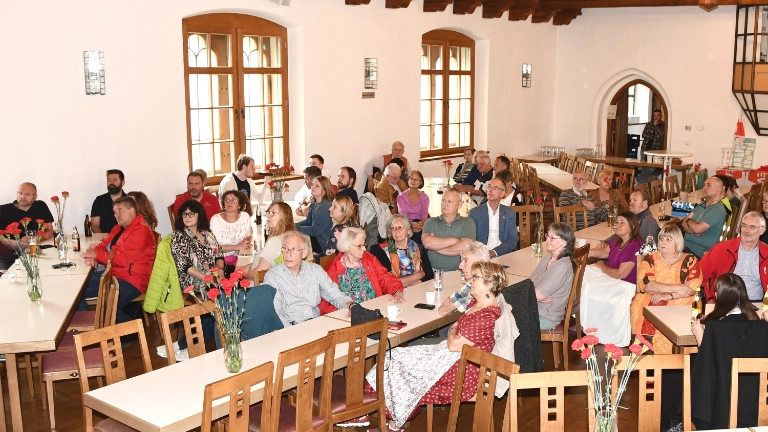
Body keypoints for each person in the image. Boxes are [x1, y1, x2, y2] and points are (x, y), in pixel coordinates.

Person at [363, 261, 505, 431]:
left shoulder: (488, 315)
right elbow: (454, 329)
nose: (470, 280)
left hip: (462, 371)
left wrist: (454, 330)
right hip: (451, 358)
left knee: (399, 366)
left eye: (475, 277)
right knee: (395, 357)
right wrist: (455, 329)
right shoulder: (476, 304)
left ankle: (386, 421)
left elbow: (453, 344)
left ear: (489, 284)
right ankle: (393, 421)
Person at [78, 196, 157, 325]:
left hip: (132, 281)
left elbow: (122, 259)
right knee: (77, 289)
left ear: (132, 211)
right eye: (115, 212)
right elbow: (102, 244)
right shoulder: (119, 228)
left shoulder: (141, 231)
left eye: (120, 210)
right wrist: (93, 256)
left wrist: (97, 255)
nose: (116, 215)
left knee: (105, 308)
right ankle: (90, 328)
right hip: (113, 274)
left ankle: (134, 330)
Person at [630, 225, 702, 354]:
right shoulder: (651, 258)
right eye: (662, 238)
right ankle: (648, 353)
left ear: (678, 242)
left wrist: (669, 296)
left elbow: (693, 286)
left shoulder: (690, 259)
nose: (663, 242)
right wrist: (677, 287)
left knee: (686, 304)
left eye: (669, 239)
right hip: (653, 297)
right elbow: (647, 285)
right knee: (645, 303)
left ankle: (680, 355)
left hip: (681, 299)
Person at [170, 199, 225, 359]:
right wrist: (207, 278)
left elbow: (219, 255)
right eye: (184, 214)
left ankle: (187, 345)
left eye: (191, 213)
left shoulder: (207, 234)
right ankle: (184, 345)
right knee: (214, 308)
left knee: (231, 298)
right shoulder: (179, 237)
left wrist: (220, 271)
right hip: (192, 281)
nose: (187, 217)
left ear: (199, 215)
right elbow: (184, 266)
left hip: (212, 278)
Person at [264, 231, 353, 327]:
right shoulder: (273, 277)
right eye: (285, 249)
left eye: (294, 249)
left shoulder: (315, 270)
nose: (288, 254)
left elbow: (334, 294)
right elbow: (276, 315)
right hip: (291, 328)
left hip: (316, 324)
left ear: (304, 253)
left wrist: (350, 305)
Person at [581, 211, 643, 346]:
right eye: (617, 222)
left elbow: (622, 274)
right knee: (582, 273)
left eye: (622, 223)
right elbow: (603, 252)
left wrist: (602, 266)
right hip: (613, 277)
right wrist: (581, 251)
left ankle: (595, 327)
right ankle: (585, 319)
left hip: (625, 285)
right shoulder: (618, 240)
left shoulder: (634, 245)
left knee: (590, 285)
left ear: (632, 226)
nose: (618, 225)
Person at [321, 227, 405, 314]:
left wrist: (397, 291)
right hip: (349, 317)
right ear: (347, 246)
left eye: (364, 245)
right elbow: (326, 302)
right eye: (359, 246)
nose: (364, 249)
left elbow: (385, 277)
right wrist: (344, 313)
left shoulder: (369, 259)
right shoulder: (333, 269)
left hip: (375, 309)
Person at [699, 211, 768, 302]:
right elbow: (699, 274)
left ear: (762, 230)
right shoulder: (722, 249)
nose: (746, 230)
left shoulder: (766, 253)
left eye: (752, 227)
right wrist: (709, 298)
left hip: (756, 303)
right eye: (744, 225)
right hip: (725, 302)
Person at [692, 273, 761, 346]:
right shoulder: (756, 321)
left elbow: (707, 357)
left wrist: (699, 334)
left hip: (723, 357)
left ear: (717, 296)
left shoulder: (715, 326)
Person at [531, 222, 576, 331]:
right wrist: (535, 294)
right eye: (547, 236)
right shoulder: (546, 259)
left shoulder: (563, 266)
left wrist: (536, 295)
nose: (547, 240)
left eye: (552, 237)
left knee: (506, 323)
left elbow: (537, 294)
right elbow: (529, 282)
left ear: (564, 243)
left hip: (546, 316)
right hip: (534, 308)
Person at [0, 182, 54, 269]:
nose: (23, 197)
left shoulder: (40, 206)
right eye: (20, 193)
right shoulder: (3, 210)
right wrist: (17, 243)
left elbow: (49, 231)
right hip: (9, 257)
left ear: (35, 197)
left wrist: (36, 238)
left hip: (36, 252)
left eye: (28, 194)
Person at [422, 188, 477, 271]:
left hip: (459, 272)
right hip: (433, 273)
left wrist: (436, 248)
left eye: (450, 201)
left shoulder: (467, 222)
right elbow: (427, 243)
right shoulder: (431, 221)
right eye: (443, 200)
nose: (445, 204)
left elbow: (466, 247)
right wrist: (455, 240)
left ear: (459, 205)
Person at [370, 215, 427, 288]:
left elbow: (428, 276)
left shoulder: (418, 248)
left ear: (408, 231)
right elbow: (387, 282)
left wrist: (402, 282)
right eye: (393, 228)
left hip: (418, 291)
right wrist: (417, 276)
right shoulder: (379, 251)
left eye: (400, 227)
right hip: (394, 295)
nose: (397, 231)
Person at [468, 177, 518, 257]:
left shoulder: (509, 213)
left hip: (502, 254)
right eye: (489, 187)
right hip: (481, 255)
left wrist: (494, 252)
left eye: (495, 188)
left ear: (502, 193)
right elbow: (471, 239)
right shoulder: (474, 213)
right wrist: (484, 253)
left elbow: (512, 239)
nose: (490, 190)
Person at [681, 176, 727, 259]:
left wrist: (690, 223)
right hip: (685, 247)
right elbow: (684, 223)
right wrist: (693, 228)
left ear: (718, 189)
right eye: (704, 185)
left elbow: (697, 229)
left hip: (698, 253)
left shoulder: (717, 210)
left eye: (708, 185)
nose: (704, 187)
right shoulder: (702, 204)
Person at [210, 190, 253, 272]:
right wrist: (237, 247)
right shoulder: (215, 220)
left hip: (241, 256)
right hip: (221, 261)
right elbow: (214, 247)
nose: (229, 202)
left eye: (234, 200)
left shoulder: (245, 216)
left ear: (240, 205)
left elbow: (248, 235)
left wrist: (246, 241)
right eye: (226, 200)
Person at [249, 202, 296, 274]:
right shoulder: (292, 235)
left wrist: (243, 275)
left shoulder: (275, 241)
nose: (267, 216)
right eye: (268, 213)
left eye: (272, 213)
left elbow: (259, 272)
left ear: (284, 216)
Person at [296, 175, 335, 256]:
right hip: (316, 238)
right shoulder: (315, 203)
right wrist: (292, 225)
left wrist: (295, 227)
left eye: (317, 186)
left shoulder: (324, 207)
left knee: (298, 245)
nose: (313, 187)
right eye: (313, 184)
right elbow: (308, 221)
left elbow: (315, 230)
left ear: (324, 190)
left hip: (323, 243)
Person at [396, 170, 429, 243]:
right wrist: (411, 225)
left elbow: (424, 214)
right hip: (406, 223)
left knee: (421, 234)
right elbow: (403, 214)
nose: (413, 181)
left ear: (420, 182)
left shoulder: (424, 197)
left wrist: (421, 224)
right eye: (411, 178)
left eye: (416, 179)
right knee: (416, 236)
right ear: (408, 180)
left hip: (420, 224)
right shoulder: (401, 197)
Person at [90, 169, 126, 233]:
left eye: (115, 180)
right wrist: (104, 240)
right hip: (104, 239)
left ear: (122, 183)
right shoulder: (99, 200)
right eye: (109, 180)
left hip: (126, 240)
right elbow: (94, 225)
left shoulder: (129, 200)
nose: (111, 183)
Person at [636, 109, 665, 183]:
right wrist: (653, 136)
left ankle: (639, 178)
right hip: (645, 148)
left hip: (656, 150)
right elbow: (644, 135)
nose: (656, 117)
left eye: (658, 116)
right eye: (654, 116)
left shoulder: (663, 125)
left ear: (661, 116)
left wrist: (655, 126)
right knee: (644, 166)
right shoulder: (648, 124)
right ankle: (642, 187)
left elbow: (661, 136)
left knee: (652, 167)